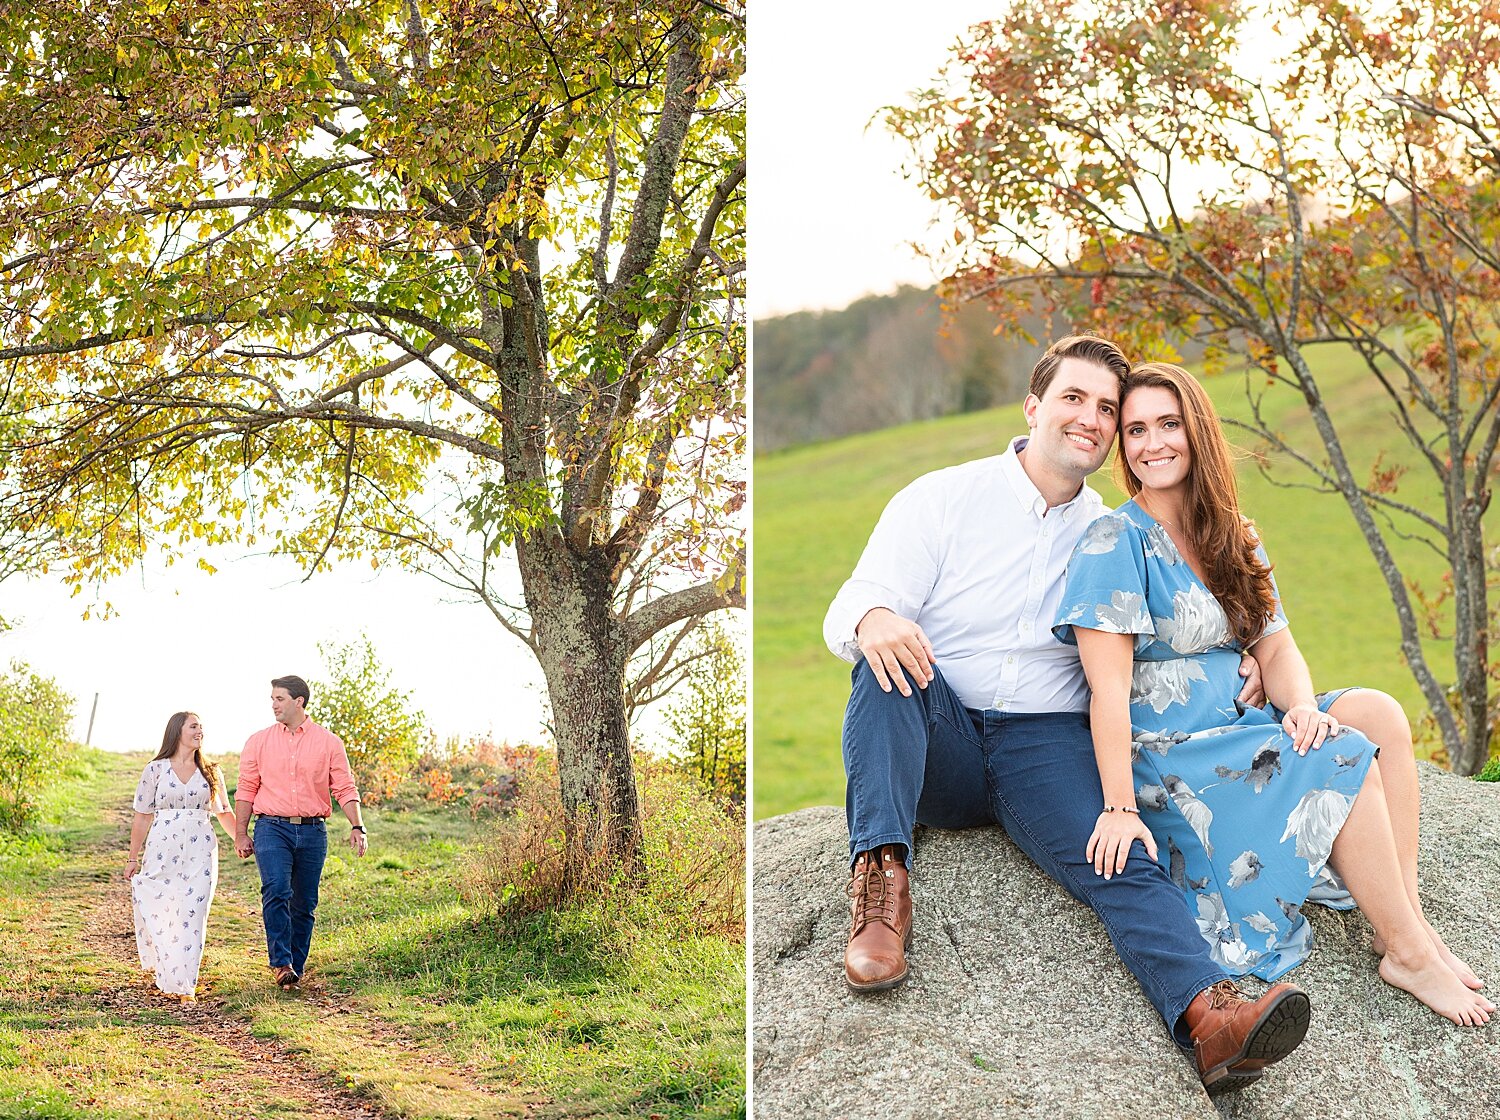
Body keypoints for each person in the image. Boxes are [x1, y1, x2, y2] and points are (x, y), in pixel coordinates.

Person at [825, 335, 1312, 1091]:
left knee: (1123, 853)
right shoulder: (942, 497)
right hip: (943, 729)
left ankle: (1210, 1020)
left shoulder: (1113, 532)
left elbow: (1184, 615)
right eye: (1073, 399)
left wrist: (1244, 659)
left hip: (1047, 745)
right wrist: (873, 617)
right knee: (883, 667)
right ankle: (882, 883)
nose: (1090, 418)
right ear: (1034, 407)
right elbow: (854, 600)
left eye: (1107, 409)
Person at [1054, 361, 1493, 1028]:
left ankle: (1402, 921)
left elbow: (1276, 645)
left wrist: (1304, 708)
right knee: (1340, 753)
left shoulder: (1231, 529)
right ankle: (1410, 954)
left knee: (1376, 712)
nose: (1152, 444)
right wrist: (1118, 806)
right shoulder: (1115, 540)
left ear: (1196, 430)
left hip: (1244, 725)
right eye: (1136, 430)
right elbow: (1106, 691)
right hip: (1178, 759)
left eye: (1168, 425)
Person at [233, 675, 367, 990]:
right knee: (277, 889)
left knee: (304, 903)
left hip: (312, 832)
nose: (273, 704)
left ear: (299, 701)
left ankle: (296, 967)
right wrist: (241, 833)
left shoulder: (329, 743)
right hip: (271, 828)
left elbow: (345, 787)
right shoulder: (258, 741)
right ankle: (281, 963)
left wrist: (357, 825)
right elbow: (246, 789)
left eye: (279, 698)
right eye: (272, 699)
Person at [125, 712, 239, 1001]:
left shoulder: (211, 771)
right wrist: (132, 857)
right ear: (177, 732)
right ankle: (167, 968)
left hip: (201, 849)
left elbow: (224, 811)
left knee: (193, 912)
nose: (200, 731)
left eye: (201, 726)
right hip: (162, 849)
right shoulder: (155, 770)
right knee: (166, 908)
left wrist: (241, 837)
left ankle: (184, 983)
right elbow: (142, 816)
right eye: (194, 726)